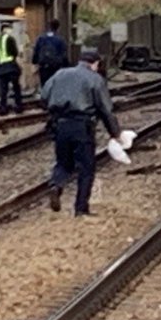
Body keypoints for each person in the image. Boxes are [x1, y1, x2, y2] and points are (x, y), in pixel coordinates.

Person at [41, 50, 122, 217]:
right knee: (86, 168)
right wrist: (115, 133)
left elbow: (44, 96)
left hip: (60, 124)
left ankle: (56, 185)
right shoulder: (95, 79)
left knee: (63, 163)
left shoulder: (60, 73)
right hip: (82, 126)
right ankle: (81, 208)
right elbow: (105, 109)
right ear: (95, 64)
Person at [0, 22, 24, 115]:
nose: (11, 30)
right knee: (16, 87)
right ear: (5, 29)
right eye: (10, 28)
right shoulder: (10, 39)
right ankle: (18, 106)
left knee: (3, 89)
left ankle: (3, 108)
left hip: (1, 67)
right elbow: (15, 52)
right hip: (11, 66)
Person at [33, 19, 68, 87]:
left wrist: (35, 61)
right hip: (56, 66)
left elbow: (36, 50)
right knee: (56, 84)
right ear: (58, 27)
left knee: (44, 84)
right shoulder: (60, 39)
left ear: (49, 26)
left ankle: (45, 96)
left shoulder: (41, 38)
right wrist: (65, 65)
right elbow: (64, 53)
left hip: (43, 65)